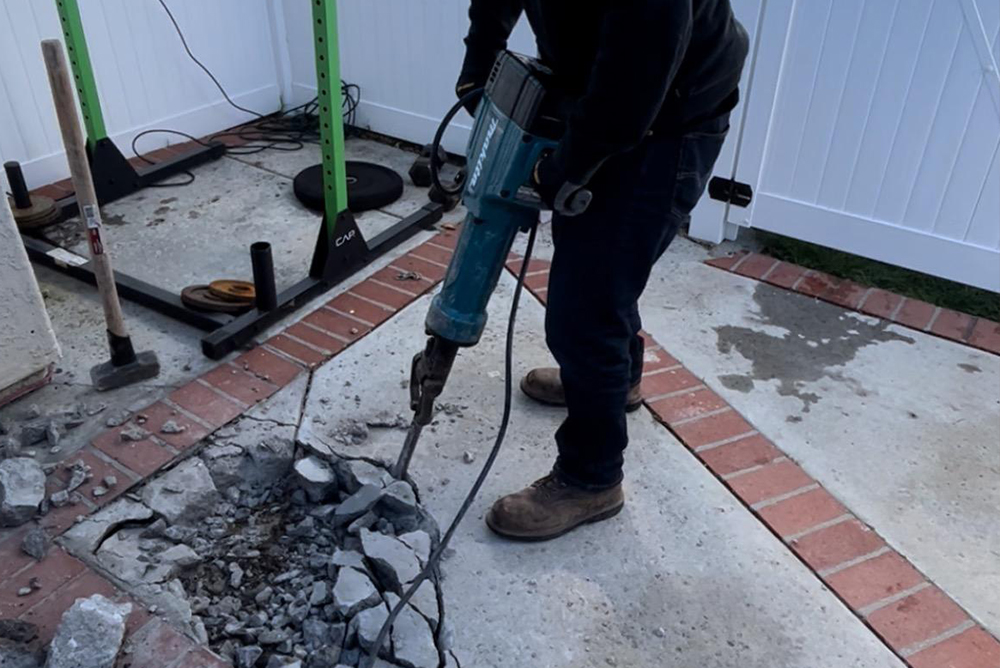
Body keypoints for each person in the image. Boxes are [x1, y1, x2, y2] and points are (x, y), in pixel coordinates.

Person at [456, 1, 749, 541]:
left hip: (670, 111)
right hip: (610, 79)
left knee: (586, 306)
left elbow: (636, 78)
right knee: (601, 269)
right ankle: (620, 383)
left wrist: (567, 165)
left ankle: (591, 479)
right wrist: (479, 64)